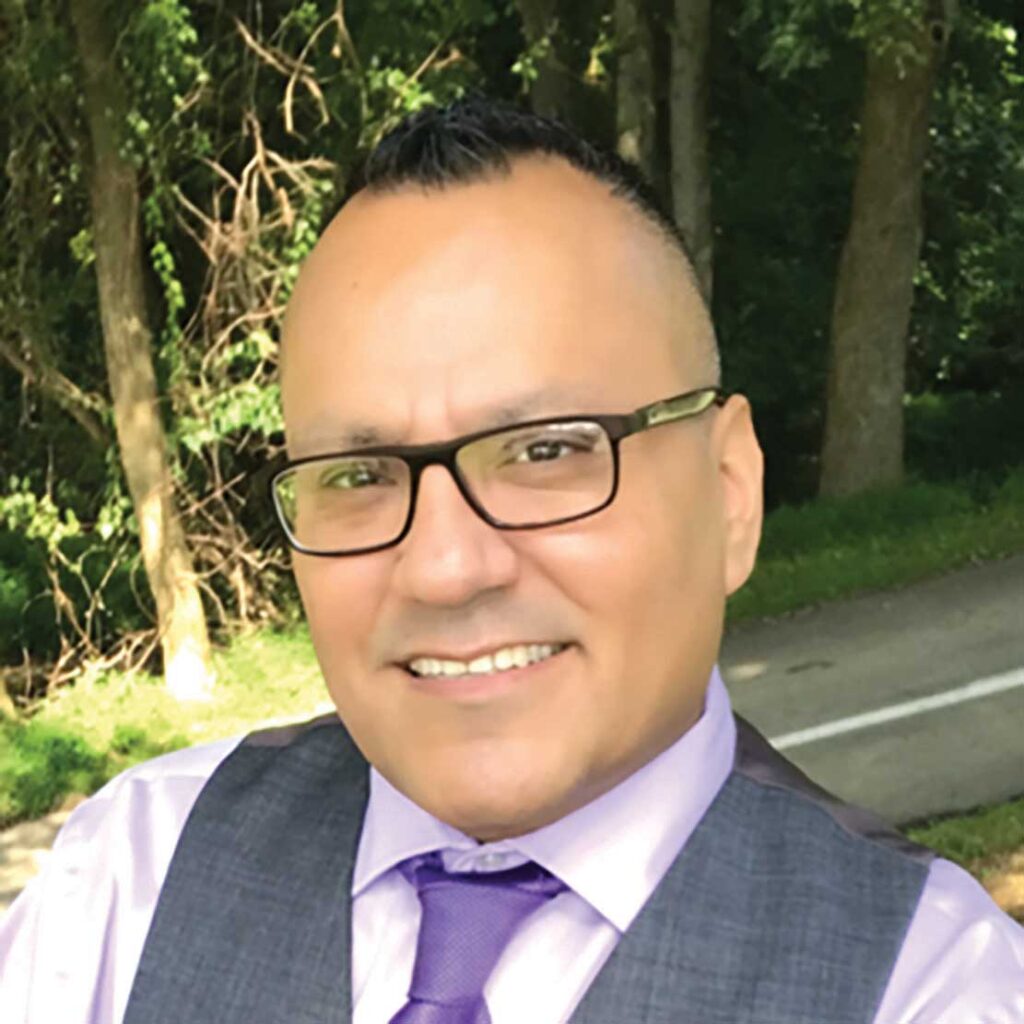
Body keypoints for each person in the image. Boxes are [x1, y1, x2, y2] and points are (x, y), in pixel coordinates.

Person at [1, 94, 1022, 1024]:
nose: (445, 567)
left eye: (545, 452)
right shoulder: (126, 894)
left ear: (728, 492)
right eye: (359, 474)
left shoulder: (936, 986)